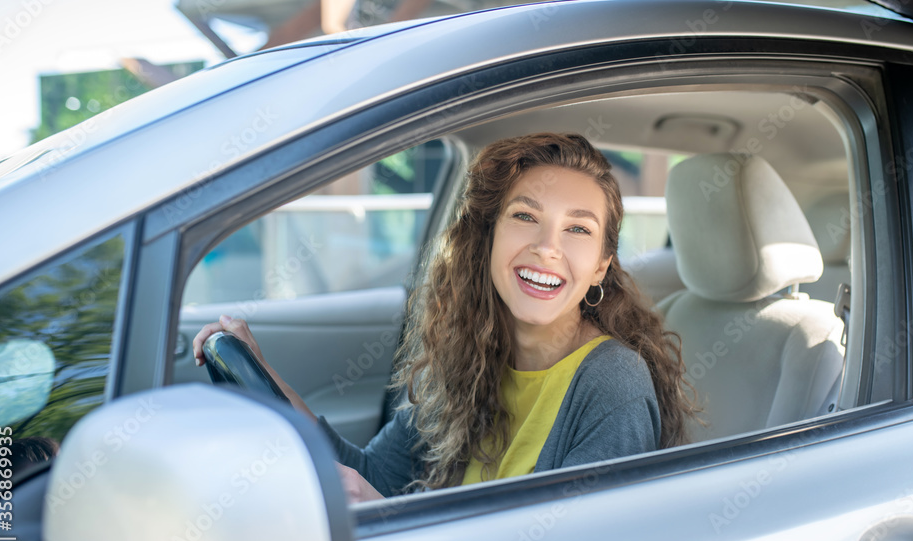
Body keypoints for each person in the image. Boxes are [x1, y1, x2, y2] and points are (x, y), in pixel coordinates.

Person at [193, 133, 697, 503]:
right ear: (489, 238)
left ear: (600, 268)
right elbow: (370, 474)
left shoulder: (612, 384)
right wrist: (261, 374)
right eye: (525, 217)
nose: (547, 248)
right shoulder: (470, 357)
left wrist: (391, 521)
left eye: (578, 230)